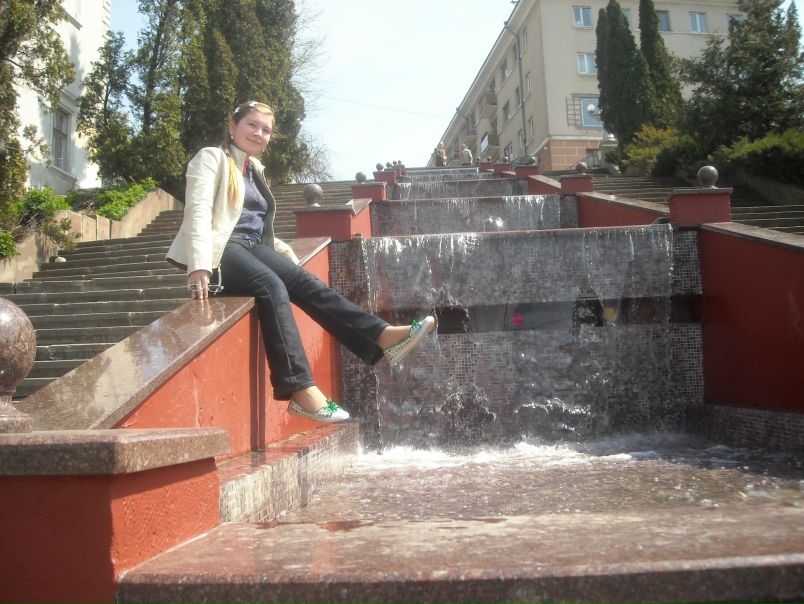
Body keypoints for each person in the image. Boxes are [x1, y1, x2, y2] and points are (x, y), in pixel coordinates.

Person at [166, 100, 436, 423]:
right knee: (271, 286)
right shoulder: (211, 158)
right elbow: (198, 211)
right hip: (219, 249)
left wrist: (287, 259)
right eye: (252, 125)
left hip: (251, 246)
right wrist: (198, 265)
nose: (259, 133)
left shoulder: (254, 170)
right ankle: (300, 389)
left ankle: (381, 335)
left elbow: (255, 225)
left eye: (266, 130)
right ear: (232, 125)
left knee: (305, 282)